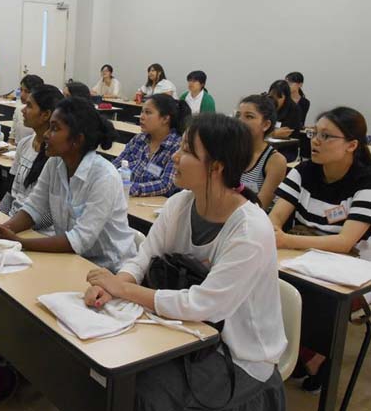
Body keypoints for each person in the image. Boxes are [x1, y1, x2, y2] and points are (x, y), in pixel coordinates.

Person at [86, 113, 287, 410]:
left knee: (140, 391)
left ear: (216, 168)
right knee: (103, 365)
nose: (176, 157)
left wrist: (122, 289)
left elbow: (204, 305)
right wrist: (118, 283)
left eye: (188, 151)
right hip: (185, 333)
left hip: (237, 354)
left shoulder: (250, 229)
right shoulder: (181, 203)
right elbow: (144, 258)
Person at [269, 107, 371, 393]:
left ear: (352, 145)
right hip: (298, 258)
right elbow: (275, 218)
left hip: (344, 269)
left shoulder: (365, 182)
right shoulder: (304, 171)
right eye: (314, 133)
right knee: (269, 282)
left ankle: (315, 355)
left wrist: (286, 240)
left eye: (327, 136)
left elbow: (344, 243)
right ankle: (303, 352)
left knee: (310, 299)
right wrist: (276, 233)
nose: (315, 141)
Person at [0, 97, 136, 272]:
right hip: (73, 259)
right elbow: (33, 208)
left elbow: (80, 239)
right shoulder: (54, 164)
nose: (46, 134)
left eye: (55, 129)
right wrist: (3, 230)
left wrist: (21, 242)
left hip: (110, 267)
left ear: (77, 140)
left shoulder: (104, 176)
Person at [0, 85, 63, 228]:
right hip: (13, 223)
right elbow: (11, 192)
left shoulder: (57, 156)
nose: (23, 109)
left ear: (45, 115)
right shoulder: (24, 144)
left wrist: (12, 227)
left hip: (37, 231)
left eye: (29, 105)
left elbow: (52, 214)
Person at [112, 94, 190, 197]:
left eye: (148, 112)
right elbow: (116, 165)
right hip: (126, 197)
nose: (142, 117)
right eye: (142, 112)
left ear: (165, 119)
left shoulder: (176, 146)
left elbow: (166, 185)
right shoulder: (139, 139)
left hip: (153, 206)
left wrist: (129, 188)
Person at [237, 95, 287, 210]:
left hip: (254, 219)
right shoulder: (231, 151)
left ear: (266, 125)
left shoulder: (275, 160)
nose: (241, 121)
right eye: (239, 115)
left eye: (249, 116)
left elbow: (260, 206)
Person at [268, 79, 302, 162]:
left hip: (286, 150)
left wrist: (269, 133)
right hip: (267, 146)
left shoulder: (294, 110)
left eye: (279, 97)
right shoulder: (267, 107)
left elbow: (284, 133)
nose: (275, 100)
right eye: (272, 96)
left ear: (286, 97)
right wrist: (272, 133)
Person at [9, 74, 44, 145]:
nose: (22, 95)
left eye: (27, 91)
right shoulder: (19, 109)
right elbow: (12, 138)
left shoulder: (39, 113)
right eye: (21, 90)